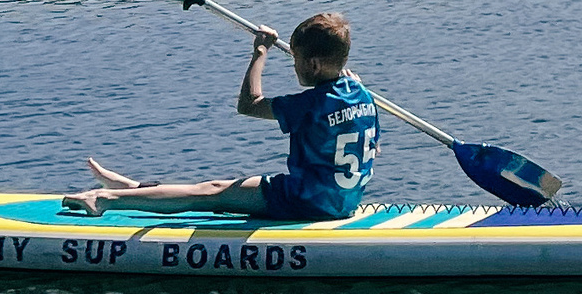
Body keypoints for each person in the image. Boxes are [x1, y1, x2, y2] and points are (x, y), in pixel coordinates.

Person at [64, 12, 379, 221]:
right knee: (217, 190)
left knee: (211, 192)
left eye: (295, 60)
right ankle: (134, 189)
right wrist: (351, 83)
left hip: (306, 201)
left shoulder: (309, 104)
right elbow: (372, 148)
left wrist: (260, 52)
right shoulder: (363, 94)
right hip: (344, 201)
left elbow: (249, 104)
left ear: (312, 65)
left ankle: (105, 199)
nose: (293, 65)